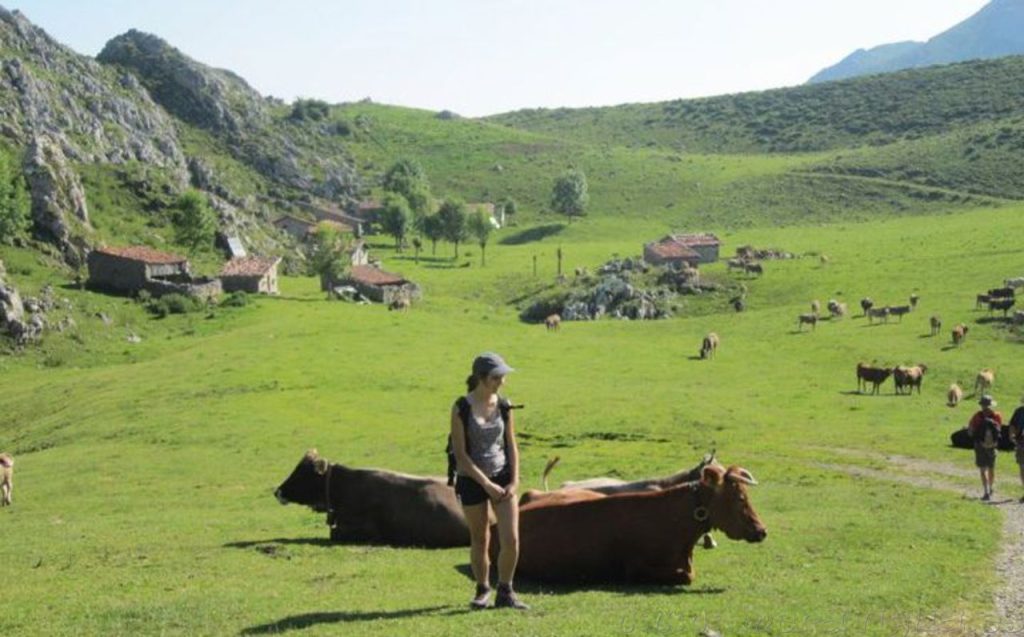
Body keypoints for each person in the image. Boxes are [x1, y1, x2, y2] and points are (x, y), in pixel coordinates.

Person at [450, 352, 528, 610]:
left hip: (503, 477)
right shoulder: (461, 407)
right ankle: (483, 589)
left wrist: (514, 481)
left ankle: (505, 591)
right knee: (480, 538)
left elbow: (511, 445)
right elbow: (461, 455)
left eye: (502, 376)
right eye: (496, 377)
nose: (502, 382)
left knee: (511, 539)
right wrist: (486, 485)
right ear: (481, 378)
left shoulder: (504, 406)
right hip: (472, 479)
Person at [968, 394, 1004, 501]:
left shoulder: (977, 416)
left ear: (981, 405)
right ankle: (991, 487)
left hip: (980, 446)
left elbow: (970, 430)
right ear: (991, 405)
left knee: (982, 469)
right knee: (991, 468)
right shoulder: (997, 415)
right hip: (992, 446)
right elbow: (999, 430)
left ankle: (986, 491)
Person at [1009, 395, 1024, 502]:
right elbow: (1012, 424)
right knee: (1022, 467)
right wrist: (1011, 434)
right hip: (1021, 442)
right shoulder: (1019, 411)